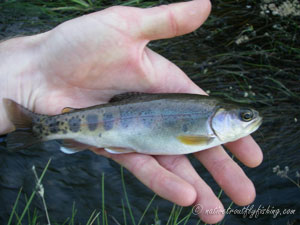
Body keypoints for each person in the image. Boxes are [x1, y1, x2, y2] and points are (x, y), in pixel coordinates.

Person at [0, 0, 263, 223]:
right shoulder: (205, 133)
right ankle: (40, 127)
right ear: (220, 114)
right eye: (245, 116)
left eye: (246, 116)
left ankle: (40, 127)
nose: (249, 119)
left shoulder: (207, 125)